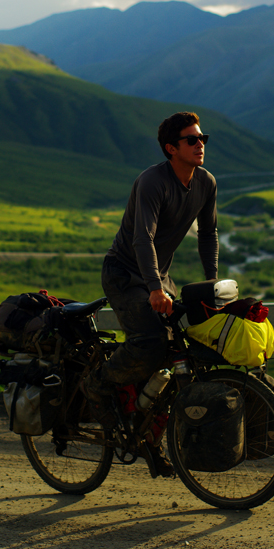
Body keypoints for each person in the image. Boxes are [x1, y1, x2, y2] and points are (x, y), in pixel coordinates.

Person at [84, 111, 219, 470]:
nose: (200, 145)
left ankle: (148, 434)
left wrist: (211, 284)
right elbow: (142, 238)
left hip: (158, 275)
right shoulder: (152, 182)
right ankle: (98, 382)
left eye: (202, 138)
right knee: (149, 342)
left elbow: (208, 234)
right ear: (171, 148)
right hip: (124, 274)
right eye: (192, 140)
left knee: (179, 350)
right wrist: (155, 288)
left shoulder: (206, 182)